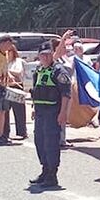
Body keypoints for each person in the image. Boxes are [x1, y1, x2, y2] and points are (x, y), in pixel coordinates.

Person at [29, 43, 71, 188]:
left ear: (52, 54)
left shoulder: (58, 71)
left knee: (51, 143)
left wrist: (63, 113)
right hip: (40, 112)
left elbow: (66, 94)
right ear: (39, 56)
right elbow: (36, 90)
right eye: (42, 55)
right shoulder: (39, 70)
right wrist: (34, 108)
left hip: (53, 113)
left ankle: (52, 175)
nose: (45, 57)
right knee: (39, 141)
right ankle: (45, 170)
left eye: (48, 54)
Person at [3, 44, 28, 140]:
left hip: (16, 86)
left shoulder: (18, 61)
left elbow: (18, 72)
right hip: (6, 87)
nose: (7, 54)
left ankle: (22, 132)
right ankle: (5, 132)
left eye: (9, 51)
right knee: (5, 111)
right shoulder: (3, 61)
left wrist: (7, 71)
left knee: (19, 111)